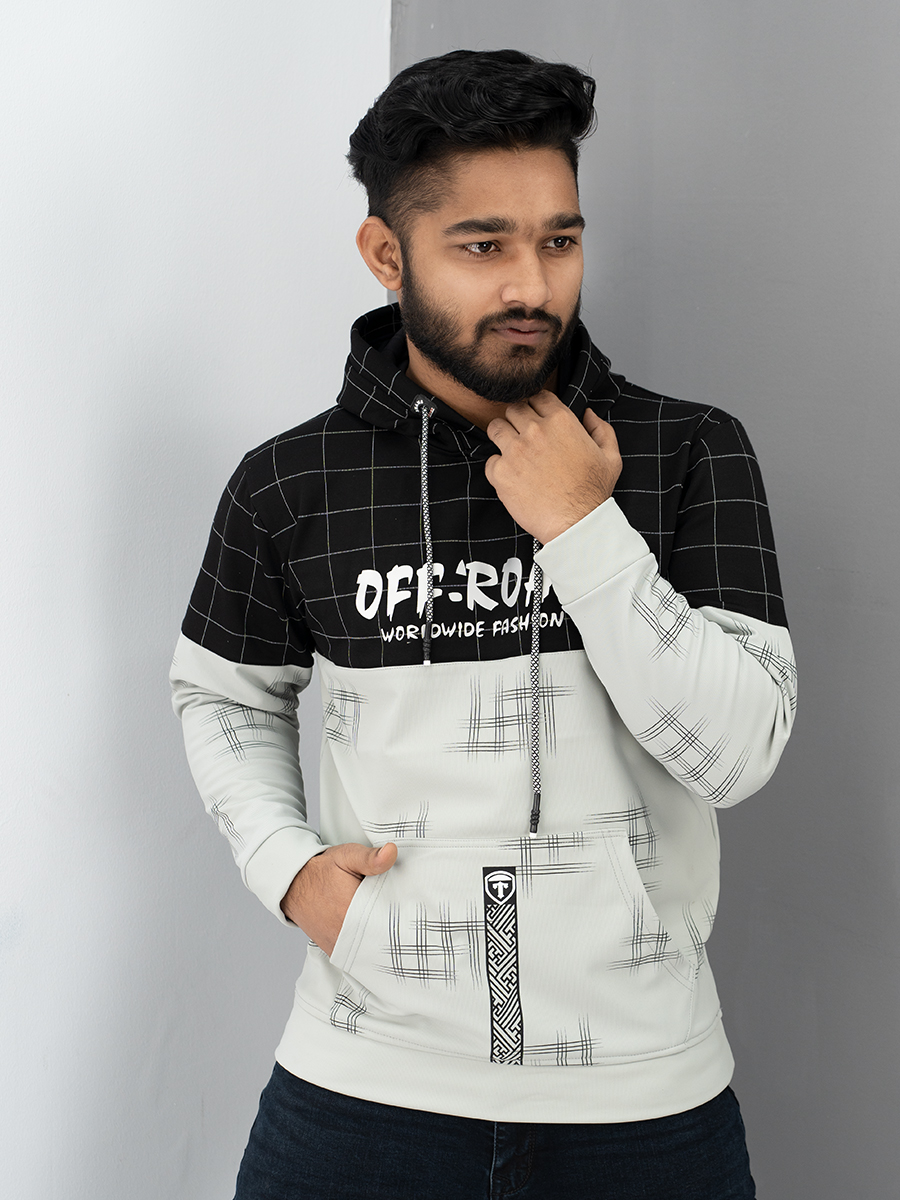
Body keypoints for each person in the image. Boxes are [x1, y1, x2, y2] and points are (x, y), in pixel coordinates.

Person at [171, 48, 796, 1200]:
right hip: (362, 1087)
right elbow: (224, 697)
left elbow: (737, 754)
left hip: (642, 1105)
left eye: (559, 240)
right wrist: (289, 868)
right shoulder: (288, 484)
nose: (532, 286)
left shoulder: (686, 451)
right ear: (386, 254)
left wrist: (585, 529)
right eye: (483, 246)